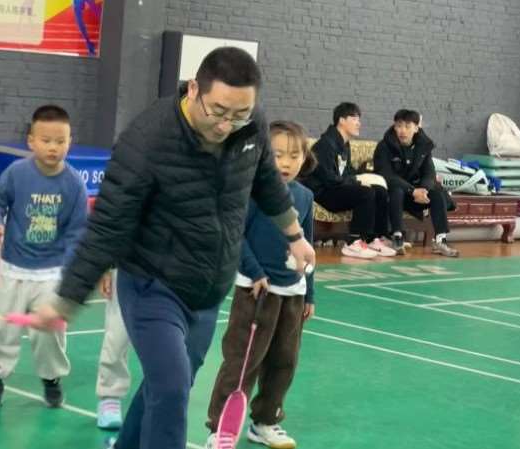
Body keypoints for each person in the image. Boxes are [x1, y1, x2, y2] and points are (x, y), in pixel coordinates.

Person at [30, 47, 317, 449]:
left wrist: (295, 236)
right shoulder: (147, 140)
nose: (227, 125)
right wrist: (66, 300)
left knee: (165, 386)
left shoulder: (250, 126)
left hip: (207, 289)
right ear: (194, 89)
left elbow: (266, 179)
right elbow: (107, 225)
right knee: (172, 387)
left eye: (240, 114)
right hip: (152, 283)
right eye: (218, 111)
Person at [204, 120, 316, 449]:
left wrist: (309, 292)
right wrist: (254, 272)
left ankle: (265, 421)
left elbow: (307, 245)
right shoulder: (253, 193)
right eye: (278, 154)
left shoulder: (305, 197)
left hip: (292, 294)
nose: (286, 162)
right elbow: (235, 235)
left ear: (304, 157)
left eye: (294, 155)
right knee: (242, 362)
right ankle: (220, 428)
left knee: (284, 361)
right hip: (256, 291)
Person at [0, 105, 88, 410]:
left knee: (50, 333)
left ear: (69, 142)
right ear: (31, 141)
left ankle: (52, 378)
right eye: (46, 140)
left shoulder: (74, 184)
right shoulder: (16, 173)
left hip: (51, 274)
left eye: (60, 141)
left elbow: (77, 232)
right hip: (11, 270)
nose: (53, 147)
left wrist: (69, 271)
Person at [301, 102, 394, 259]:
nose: (359, 123)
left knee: (379, 190)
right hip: (324, 193)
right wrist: (357, 182)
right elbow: (329, 179)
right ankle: (353, 242)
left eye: (359, 119)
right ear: (342, 120)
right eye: (355, 119)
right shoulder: (324, 145)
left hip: (337, 188)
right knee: (365, 193)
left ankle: (373, 239)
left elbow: (348, 171)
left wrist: (365, 176)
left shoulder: (344, 145)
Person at [373, 109, 458, 257]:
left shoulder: (423, 146)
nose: (402, 130)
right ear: (394, 126)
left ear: (416, 128)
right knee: (396, 189)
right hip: (393, 196)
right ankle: (397, 237)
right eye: (399, 126)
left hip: (416, 196)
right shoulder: (384, 146)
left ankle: (440, 240)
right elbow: (386, 175)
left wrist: (424, 190)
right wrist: (412, 190)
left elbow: (429, 173)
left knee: (437, 192)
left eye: (407, 126)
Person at [94, 269, 130, 429]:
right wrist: (106, 267)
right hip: (127, 268)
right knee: (117, 334)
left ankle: (164, 399)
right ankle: (110, 396)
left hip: (171, 269)